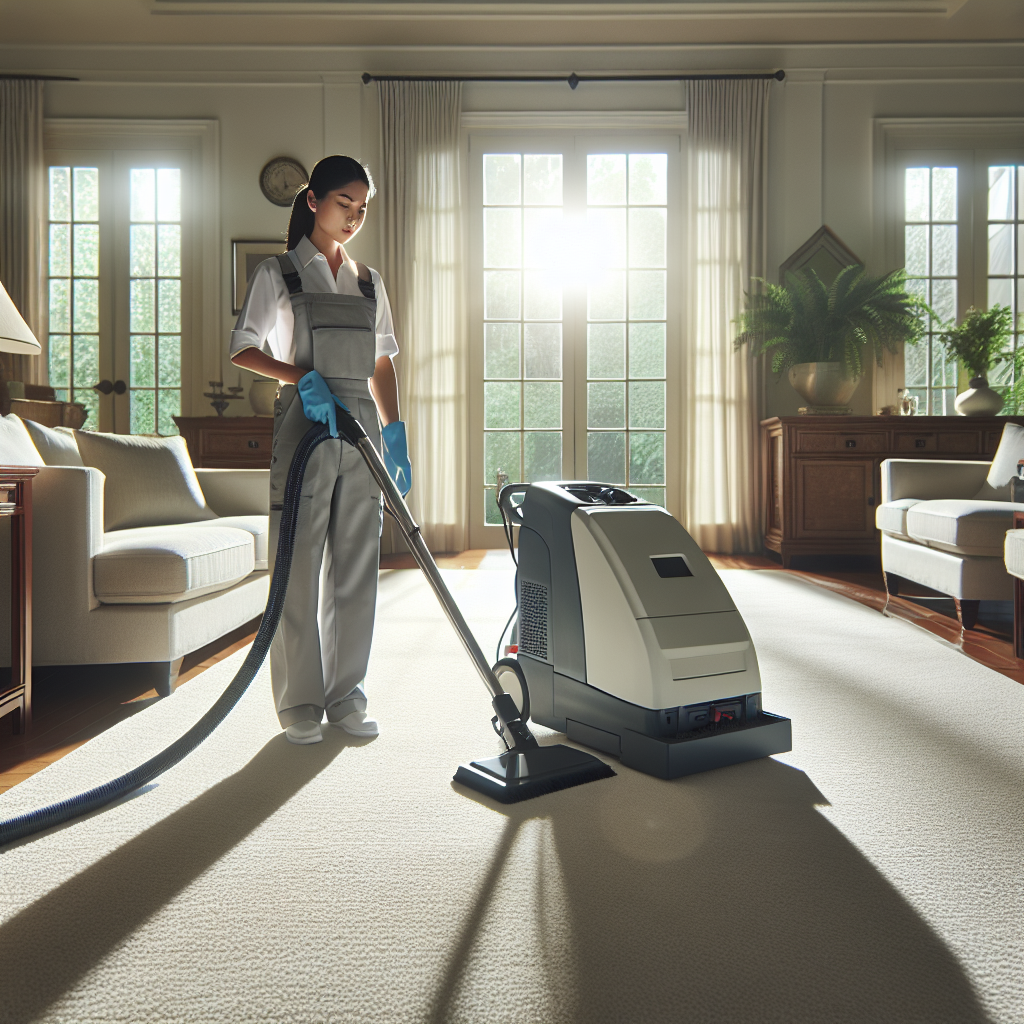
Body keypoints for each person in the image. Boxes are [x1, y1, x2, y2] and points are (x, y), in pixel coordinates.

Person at [229, 155, 411, 745]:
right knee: (299, 566)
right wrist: (296, 376)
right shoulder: (279, 273)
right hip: (304, 425)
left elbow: (381, 362)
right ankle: (299, 703)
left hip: (360, 430)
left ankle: (346, 695)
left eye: (362, 209)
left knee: (357, 567)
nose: (353, 218)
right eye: (343, 205)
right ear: (313, 200)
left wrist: (397, 433)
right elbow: (243, 348)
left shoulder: (368, 283)